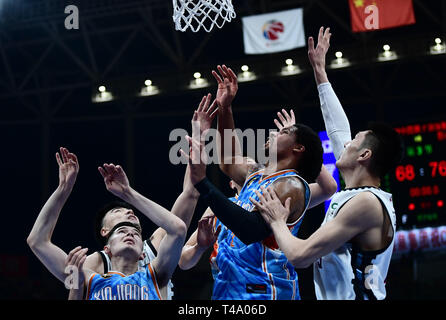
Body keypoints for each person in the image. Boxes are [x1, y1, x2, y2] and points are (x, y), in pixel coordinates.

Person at [251, 27, 404, 300]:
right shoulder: (360, 193)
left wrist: (277, 221)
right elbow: (338, 129)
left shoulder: (366, 204)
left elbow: (300, 256)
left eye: (354, 142)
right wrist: (319, 71)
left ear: (364, 156)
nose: (345, 144)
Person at [181, 66, 338, 300]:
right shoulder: (256, 175)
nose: (274, 133)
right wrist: (225, 108)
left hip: (265, 291)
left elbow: (251, 229)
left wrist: (203, 183)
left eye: (284, 132)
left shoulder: (292, 185)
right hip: (229, 289)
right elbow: (227, 160)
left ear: (298, 148)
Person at [27, 148, 191, 300]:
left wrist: (128, 193)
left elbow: (178, 227)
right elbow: (37, 241)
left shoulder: (154, 272)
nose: (129, 233)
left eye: (135, 232)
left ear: (143, 252)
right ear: (107, 248)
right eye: (121, 230)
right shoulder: (88, 275)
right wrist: (63, 188)